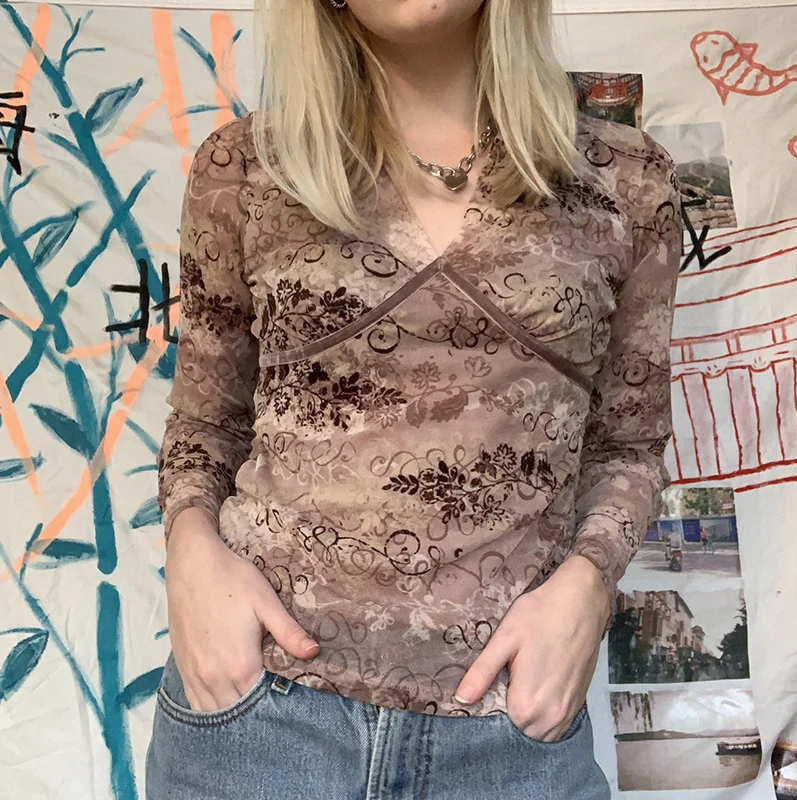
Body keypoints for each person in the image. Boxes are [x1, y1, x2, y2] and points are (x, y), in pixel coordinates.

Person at [144, 0, 682, 798]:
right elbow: (205, 421)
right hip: (259, 719)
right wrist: (190, 554)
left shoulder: (625, 181)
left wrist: (590, 584)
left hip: (511, 734)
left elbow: (627, 445)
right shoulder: (248, 168)